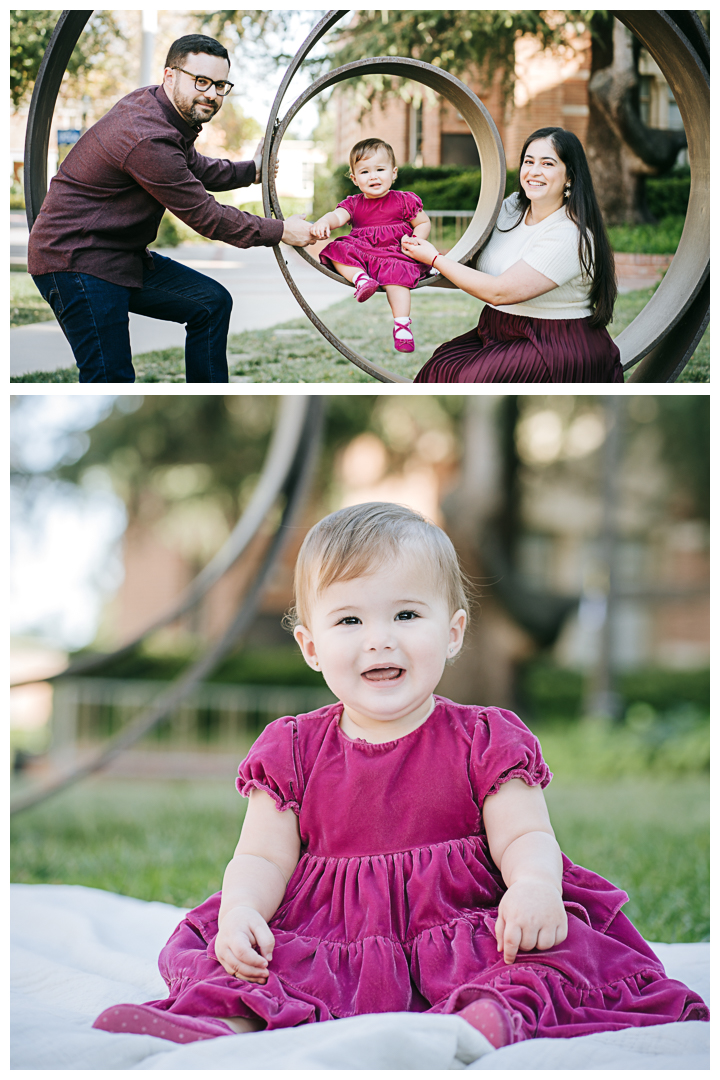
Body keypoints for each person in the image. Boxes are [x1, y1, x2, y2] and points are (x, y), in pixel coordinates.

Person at [93, 502, 708, 1047]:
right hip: (334, 938)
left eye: (407, 615)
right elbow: (260, 858)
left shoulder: (486, 737)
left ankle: (493, 1016)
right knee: (249, 964)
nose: (379, 641)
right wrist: (243, 912)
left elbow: (525, 836)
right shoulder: (293, 748)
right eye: (350, 621)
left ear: (453, 632)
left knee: (542, 954)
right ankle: (224, 1022)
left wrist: (533, 887)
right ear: (311, 647)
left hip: (465, 929)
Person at [27, 34, 315, 383]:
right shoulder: (147, 135)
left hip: (118, 257)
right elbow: (208, 217)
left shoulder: (158, 111)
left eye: (220, 84)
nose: (211, 93)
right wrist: (282, 231)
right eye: (202, 81)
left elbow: (192, 166)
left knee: (211, 304)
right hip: (76, 262)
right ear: (170, 75)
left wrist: (250, 171)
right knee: (109, 377)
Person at [402, 127, 625, 382]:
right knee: (440, 366)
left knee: (470, 380)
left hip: (556, 340)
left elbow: (499, 292)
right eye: (528, 161)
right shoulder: (511, 209)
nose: (534, 171)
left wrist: (434, 258)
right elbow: (472, 270)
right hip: (497, 329)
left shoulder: (569, 234)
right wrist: (412, 272)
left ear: (570, 176)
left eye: (547, 163)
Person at [310, 139, 431, 353]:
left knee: (397, 277)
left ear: (393, 173)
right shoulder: (354, 204)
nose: (373, 176)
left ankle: (402, 324)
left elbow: (422, 222)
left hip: (395, 253)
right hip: (363, 254)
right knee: (338, 248)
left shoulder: (404, 200)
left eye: (380, 169)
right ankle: (361, 279)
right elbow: (337, 216)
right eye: (365, 172)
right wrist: (324, 222)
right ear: (355, 179)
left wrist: (415, 239)